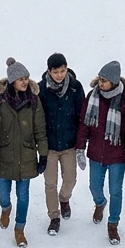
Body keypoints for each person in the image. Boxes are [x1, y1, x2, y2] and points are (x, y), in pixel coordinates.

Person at [0, 57, 49, 248]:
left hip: (26, 155)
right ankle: (6, 208)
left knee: (23, 195)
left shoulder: (34, 100)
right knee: (3, 193)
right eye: (21, 78)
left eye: (27, 78)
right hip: (3, 155)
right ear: (12, 80)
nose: (25, 82)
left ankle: (19, 228)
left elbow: (40, 129)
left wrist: (43, 155)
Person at [75, 60, 125, 246]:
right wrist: (80, 148)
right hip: (96, 152)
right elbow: (84, 123)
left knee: (116, 191)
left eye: (104, 80)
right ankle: (100, 202)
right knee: (94, 187)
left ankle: (113, 224)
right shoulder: (92, 96)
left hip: (117, 154)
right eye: (99, 79)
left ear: (114, 81)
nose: (100, 83)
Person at [39, 53, 85, 235]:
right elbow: (38, 118)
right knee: (50, 183)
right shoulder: (41, 89)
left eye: (62, 71)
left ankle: (64, 198)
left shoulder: (75, 87)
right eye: (56, 72)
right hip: (49, 145)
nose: (59, 75)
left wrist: (80, 141)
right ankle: (54, 217)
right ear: (49, 71)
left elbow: (81, 115)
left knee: (70, 179)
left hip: (68, 143)